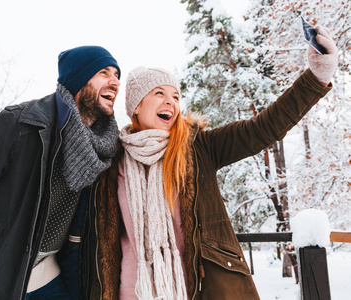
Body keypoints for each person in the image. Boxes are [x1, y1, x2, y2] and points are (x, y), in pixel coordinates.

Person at [84, 26, 338, 299]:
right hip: (131, 292)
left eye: (176, 96)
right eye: (159, 93)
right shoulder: (112, 161)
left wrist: (316, 79)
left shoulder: (199, 148)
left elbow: (263, 128)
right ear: (136, 106)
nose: (170, 101)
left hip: (194, 291)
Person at [0, 45, 121, 300]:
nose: (115, 82)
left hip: (52, 278)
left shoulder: (105, 146)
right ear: (78, 79)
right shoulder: (19, 124)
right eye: (103, 72)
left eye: (117, 75)